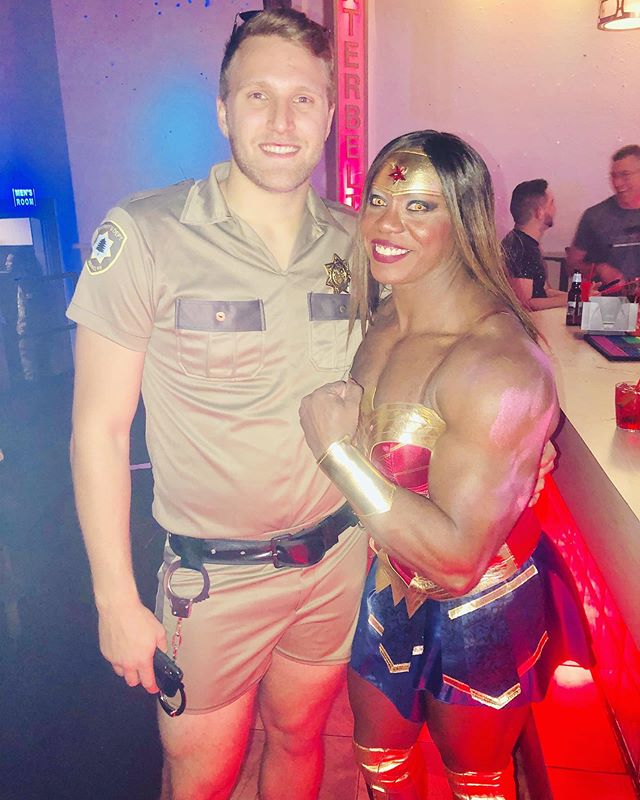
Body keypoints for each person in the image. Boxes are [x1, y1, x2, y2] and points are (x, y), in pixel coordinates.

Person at [67, 11, 554, 799]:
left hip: (339, 562)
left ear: (329, 116)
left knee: (299, 741)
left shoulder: (360, 245)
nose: (282, 120)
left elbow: (434, 354)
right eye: (258, 95)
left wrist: (521, 435)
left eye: (304, 99)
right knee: (199, 778)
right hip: (214, 577)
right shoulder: (147, 234)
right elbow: (98, 429)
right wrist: (114, 598)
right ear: (223, 109)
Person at [299, 131, 591, 800]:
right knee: (378, 759)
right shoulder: (383, 318)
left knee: (477, 781)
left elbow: (458, 562)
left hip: (482, 601)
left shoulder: (498, 362)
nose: (387, 224)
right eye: (378, 200)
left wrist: (337, 455)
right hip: (390, 581)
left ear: (463, 220)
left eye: (420, 207)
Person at [566, 144, 640, 286]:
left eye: (625, 175)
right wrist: (599, 270)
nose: (617, 183)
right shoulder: (594, 216)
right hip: (606, 299)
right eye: (613, 176)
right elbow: (571, 267)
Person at [502, 179, 569, 310]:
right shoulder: (521, 248)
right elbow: (524, 304)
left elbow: (543, 291)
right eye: (551, 203)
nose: (555, 209)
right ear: (540, 212)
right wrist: (574, 298)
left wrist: (582, 296)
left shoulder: (526, 244)